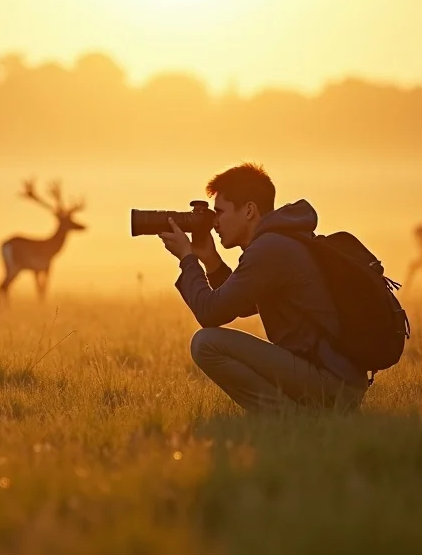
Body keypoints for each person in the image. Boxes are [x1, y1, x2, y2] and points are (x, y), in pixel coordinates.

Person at [157, 162, 368, 411]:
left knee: (205, 343)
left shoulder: (269, 248)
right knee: (207, 341)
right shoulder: (280, 240)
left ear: (249, 211)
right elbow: (245, 305)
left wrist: (187, 259)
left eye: (220, 212)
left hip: (330, 382)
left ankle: (290, 417)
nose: (215, 224)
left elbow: (209, 313)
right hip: (340, 380)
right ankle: (299, 415)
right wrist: (210, 260)